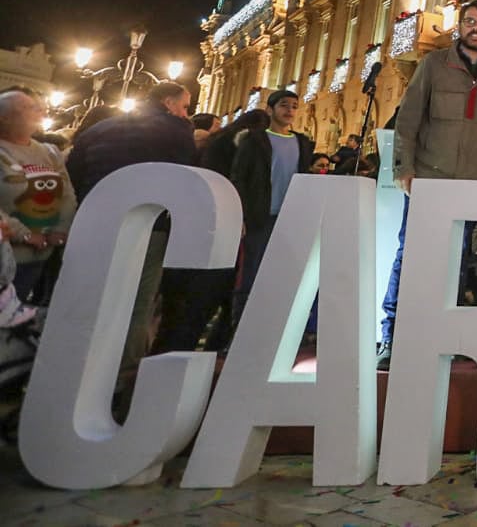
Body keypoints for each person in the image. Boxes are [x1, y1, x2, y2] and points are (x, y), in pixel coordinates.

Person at [381, 0, 477, 368]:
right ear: (460, 26)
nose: (476, 28)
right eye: (470, 21)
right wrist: (403, 168)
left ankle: (445, 337)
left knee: (459, 261)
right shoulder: (434, 65)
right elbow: (407, 120)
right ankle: (391, 335)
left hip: (474, 185)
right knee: (410, 255)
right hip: (430, 177)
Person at [64, 82, 196, 380]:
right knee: (138, 301)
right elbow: (183, 178)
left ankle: (71, 364)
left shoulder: (97, 130)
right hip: (148, 224)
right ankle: (122, 376)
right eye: (185, 106)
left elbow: (71, 178)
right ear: (168, 102)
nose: (187, 114)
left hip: (93, 222)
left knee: (89, 294)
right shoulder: (175, 131)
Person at [156, 109, 268, 353]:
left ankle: (171, 347)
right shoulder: (246, 144)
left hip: (195, 220)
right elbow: (243, 180)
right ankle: (211, 345)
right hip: (228, 222)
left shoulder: (215, 143)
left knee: (185, 297)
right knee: (219, 288)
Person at [229, 90, 315, 324]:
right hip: (261, 215)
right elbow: (240, 177)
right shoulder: (255, 140)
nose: (290, 110)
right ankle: (241, 325)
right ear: (271, 110)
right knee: (251, 272)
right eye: (284, 105)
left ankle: (272, 323)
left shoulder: (302, 142)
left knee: (283, 273)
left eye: (295, 106)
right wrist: (242, 215)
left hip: (291, 217)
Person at [0, 91, 75, 302]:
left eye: (37, 107)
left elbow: (67, 195)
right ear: (4, 117)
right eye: (28, 108)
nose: (39, 112)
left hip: (39, 256)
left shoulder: (49, 152)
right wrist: (23, 234)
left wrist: (61, 229)